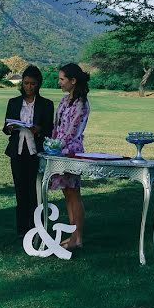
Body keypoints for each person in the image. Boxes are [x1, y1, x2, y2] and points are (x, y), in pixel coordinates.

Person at [3, 65, 54, 237]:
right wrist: (9, 128)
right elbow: (5, 127)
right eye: (26, 83)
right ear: (22, 83)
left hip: (36, 151)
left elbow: (50, 130)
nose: (29, 87)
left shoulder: (46, 104)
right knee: (20, 189)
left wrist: (38, 129)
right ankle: (22, 229)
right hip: (17, 151)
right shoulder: (13, 102)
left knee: (35, 190)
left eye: (32, 84)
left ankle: (36, 227)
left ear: (38, 84)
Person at [50, 63, 91, 250]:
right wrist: (51, 144)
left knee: (74, 193)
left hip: (71, 152)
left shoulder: (81, 103)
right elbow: (56, 126)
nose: (59, 82)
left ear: (73, 81)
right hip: (58, 151)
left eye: (62, 79)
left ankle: (78, 237)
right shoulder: (63, 101)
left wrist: (58, 146)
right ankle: (72, 236)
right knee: (67, 193)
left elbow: (72, 130)